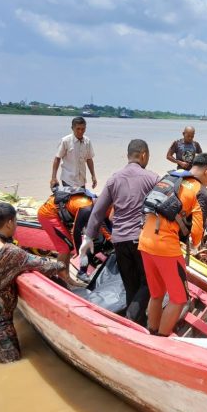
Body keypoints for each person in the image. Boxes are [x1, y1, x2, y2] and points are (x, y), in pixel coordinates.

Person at [0, 203, 63, 363]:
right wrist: (65, 263)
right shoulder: (9, 252)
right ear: (9, 223)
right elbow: (49, 266)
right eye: (16, 222)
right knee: (10, 368)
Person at [138, 153, 207, 336]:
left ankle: (152, 331)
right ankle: (162, 339)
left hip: (144, 241)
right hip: (166, 248)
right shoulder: (200, 190)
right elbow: (197, 236)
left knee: (157, 294)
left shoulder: (171, 177)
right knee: (179, 299)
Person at [81, 139, 159, 326]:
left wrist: (88, 237)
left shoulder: (114, 179)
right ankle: (131, 319)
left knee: (131, 285)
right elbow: (163, 207)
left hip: (119, 240)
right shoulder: (152, 178)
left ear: (127, 156)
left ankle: (137, 325)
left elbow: (98, 211)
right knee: (149, 283)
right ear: (144, 155)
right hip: (141, 240)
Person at [37, 187, 96, 287]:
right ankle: (62, 277)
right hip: (48, 214)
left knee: (67, 246)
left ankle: (66, 276)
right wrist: (80, 254)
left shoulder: (93, 202)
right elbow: (76, 231)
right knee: (65, 247)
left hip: (56, 212)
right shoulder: (86, 207)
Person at [50, 116, 97, 189]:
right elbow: (57, 158)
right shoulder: (65, 141)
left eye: (83, 129)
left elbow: (89, 159)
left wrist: (93, 176)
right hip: (68, 180)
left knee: (80, 200)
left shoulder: (87, 142)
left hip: (81, 180)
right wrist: (53, 178)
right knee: (70, 200)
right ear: (72, 128)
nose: (80, 131)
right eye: (78, 129)